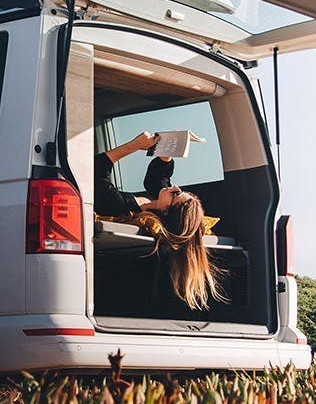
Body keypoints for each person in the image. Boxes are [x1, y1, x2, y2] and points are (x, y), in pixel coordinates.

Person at [95, 132, 224, 310]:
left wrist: (133, 145)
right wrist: (170, 146)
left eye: (176, 193)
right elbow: (158, 180)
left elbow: (96, 171)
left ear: (165, 210)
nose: (175, 187)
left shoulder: (118, 204)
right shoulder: (158, 205)